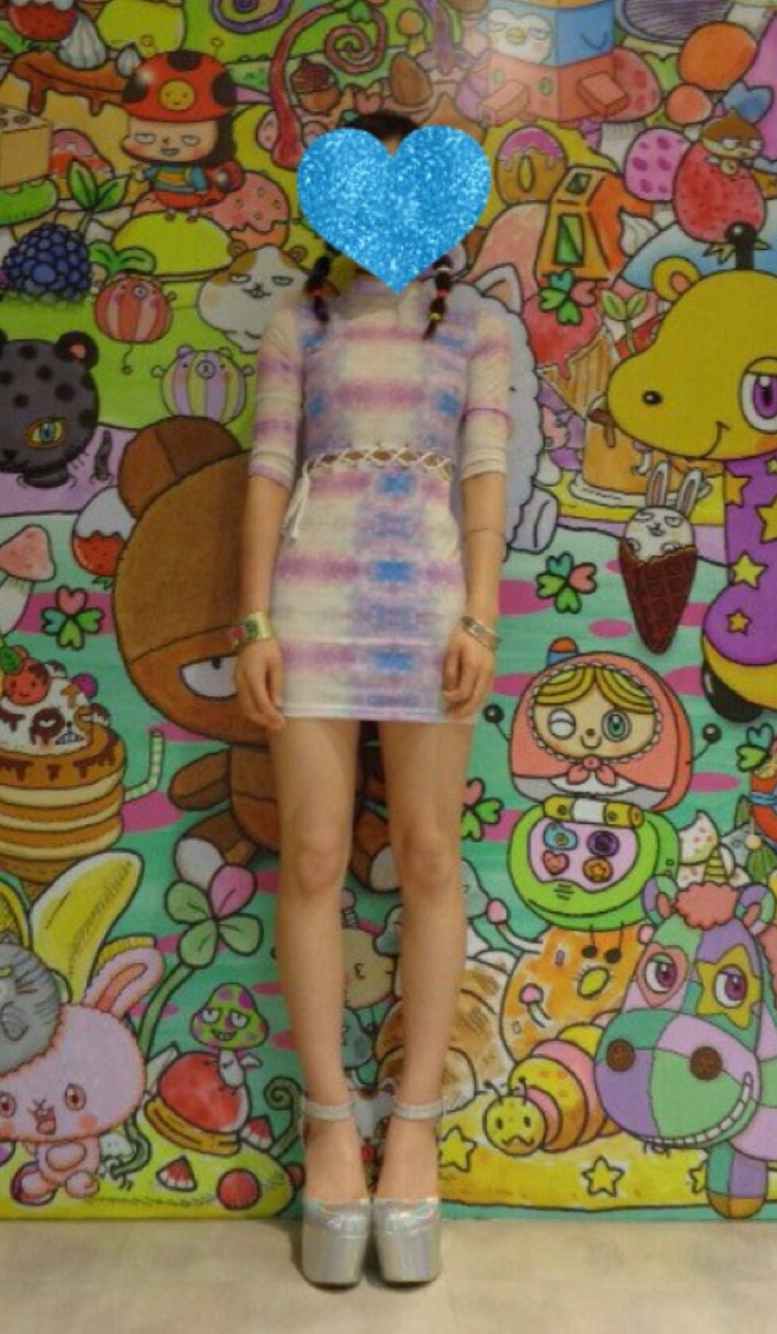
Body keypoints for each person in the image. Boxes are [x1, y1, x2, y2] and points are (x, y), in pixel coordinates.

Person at [233, 111, 511, 1287]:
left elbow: (485, 477)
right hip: (310, 606)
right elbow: (267, 472)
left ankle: (413, 1132)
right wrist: (252, 620)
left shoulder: (478, 328)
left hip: (431, 614)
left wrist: (479, 615)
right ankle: (328, 1131)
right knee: (309, 855)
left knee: (431, 855)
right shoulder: (297, 324)